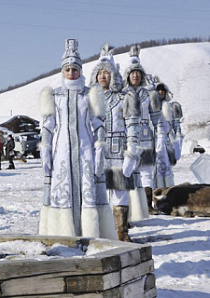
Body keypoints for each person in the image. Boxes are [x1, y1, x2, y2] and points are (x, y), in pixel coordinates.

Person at [39, 39, 116, 238]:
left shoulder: (90, 93)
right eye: (68, 69)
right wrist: (45, 148)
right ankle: (63, 234)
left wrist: (99, 147)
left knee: (87, 189)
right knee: (63, 190)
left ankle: (90, 233)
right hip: (62, 152)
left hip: (85, 150)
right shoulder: (54, 95)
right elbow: (48, 125)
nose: (71, 73)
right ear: (62, 71)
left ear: (80, 71)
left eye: (75, 69)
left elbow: (98, 123)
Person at [89, 44, 141, 241]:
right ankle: (103, 231)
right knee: (99, 193)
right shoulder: (90, 98)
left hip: (119, 151)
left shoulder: (124, 97)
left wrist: (131, 151)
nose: (103, 76)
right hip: (97, 151)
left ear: (113, 76)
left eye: (106, 73)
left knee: (120, 193)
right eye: (99, 73)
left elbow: (133, 124)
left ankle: (121, 232)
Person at [122, 45, 160, 219]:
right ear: (127, 76)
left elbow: (157, 118)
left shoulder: (149, 94)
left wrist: (159, 138)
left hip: (145, 136)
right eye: (132, 73)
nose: (135, 75)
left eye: (138, 72)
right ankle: (129, 207)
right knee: (128, 171)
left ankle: (146, 205)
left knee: (146, 172)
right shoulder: (123, 94)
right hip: (128, 138)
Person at [153, 77, 184, 190]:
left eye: (162, 90)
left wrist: (177, 141)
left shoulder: (171, 107)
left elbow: (176, 126)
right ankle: (156, 191)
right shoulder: (150, 107)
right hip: (154, 141)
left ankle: (168, 190)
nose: (160, 92)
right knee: (154, 169)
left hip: (167, 141)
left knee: (166, 167)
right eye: (158, 90)